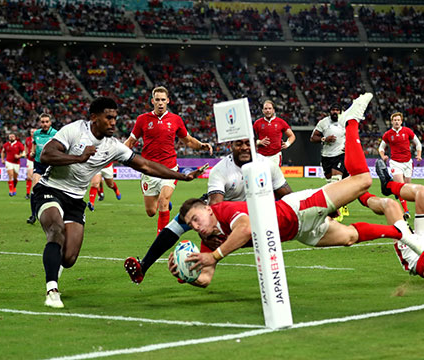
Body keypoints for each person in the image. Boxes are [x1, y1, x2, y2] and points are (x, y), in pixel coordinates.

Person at [172, 93, 407, 287]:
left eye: (195, 218)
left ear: (206, 209)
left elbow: (245, 228)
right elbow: (205, 278)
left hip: (298, 209)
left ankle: (351, 121)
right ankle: (401, 233)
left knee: (364, 180)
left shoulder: (225, 209)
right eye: (191, 224)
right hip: (298, 232)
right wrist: (186, 274)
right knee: (349, 237)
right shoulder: (208, 238)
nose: (194, 226)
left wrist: (213, 257)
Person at [35, 97, 207, 309]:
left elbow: (146, 166)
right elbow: (46, 155)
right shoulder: (74, 130)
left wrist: (182, 176)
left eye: (115, 118)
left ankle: (55, 266)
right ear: (94, 118)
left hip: (76, 199)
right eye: (108, 118)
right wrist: (79, 158)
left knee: (69, 258)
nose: (113, 122)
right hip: (50, 189)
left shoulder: (113, 146)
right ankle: (52, 290)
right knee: (55, 228)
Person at [124, 138, 293, 284]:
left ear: (255, 145)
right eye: (238, 144)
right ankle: (143, 267)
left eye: (248, 143)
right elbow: (215, 208)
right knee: (181, 220)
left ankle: (191, 268)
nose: (243, 148)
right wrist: (206, 234)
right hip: (222, 209)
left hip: (250, 210)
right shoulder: (221, 169)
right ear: (230, 145)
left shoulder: (267, 165)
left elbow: (289, 197)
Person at [124, 86, 213, 234]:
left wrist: (201, 146)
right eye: (157, 100)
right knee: (151, 211)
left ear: (168, 101)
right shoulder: (142, 119)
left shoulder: (175, 120)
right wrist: (115, 151)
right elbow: (131, 142)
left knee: (163, 201)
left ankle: (161, 237)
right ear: (152, 101)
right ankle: (164, 204)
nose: (160, 103)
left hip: (169, 168)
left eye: (163, 100)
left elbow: (188, 141)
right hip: (149, 169)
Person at [376, 112, 422, 219]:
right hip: (395, 163)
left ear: (401, 121)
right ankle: (406, 211)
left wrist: (418, 155)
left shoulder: (407, 131)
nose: (396, 122)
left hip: (408, 163)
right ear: (392, 122)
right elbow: (381, 148)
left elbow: (418, 143)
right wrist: (383, 156)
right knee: (401, 186)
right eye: (394, 120)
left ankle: (392, 186)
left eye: (398, 120)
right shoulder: (388, 134)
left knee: (406, 188)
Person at [310, 103, 349, 221]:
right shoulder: (323, 123)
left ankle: (337, 211)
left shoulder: (345, 122)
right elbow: (313, 138)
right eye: (333, 110)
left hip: (340, 155)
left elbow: (352, 135)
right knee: (329, 185)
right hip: (326, 156)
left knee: (335, 182)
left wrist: (348, 146)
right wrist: (324, 139)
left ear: (340, 112)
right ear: (330, 111)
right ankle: (343, 204)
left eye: (337, 110)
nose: (335, 112)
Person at [28, 114, 58, 224]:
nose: (44, 124)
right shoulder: (36, 133)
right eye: (42, 122)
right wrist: (32, 151)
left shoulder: (55, 133)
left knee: (54, 190)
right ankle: (33, 215)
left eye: (46, 122)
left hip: (51, 164)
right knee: (35, 187)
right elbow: (34, 144)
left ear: (50, 123)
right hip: (39, 164)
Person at [253, 100, 296, 167]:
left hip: (275, 156)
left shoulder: (281, 122)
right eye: (265, 109)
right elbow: (250, 139)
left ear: (273, 110)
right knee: (262, 177)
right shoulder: (257, 123)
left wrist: (287, 143)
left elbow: (292, 136)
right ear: (262, 111)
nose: (268, 110)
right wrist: (259, 142)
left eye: (270, 108)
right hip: (261, 155)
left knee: (275, 177)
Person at [24, 128, 36, 199]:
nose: (33, 133)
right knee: (29, 177)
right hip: (30, 160)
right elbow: (25, 145)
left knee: (36, 177)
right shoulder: (27, 139)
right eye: (31, 132)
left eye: (34, 132)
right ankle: (28, 193)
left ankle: (35, 193)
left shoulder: (38, 139)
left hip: (37, 160)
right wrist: (25, 152)